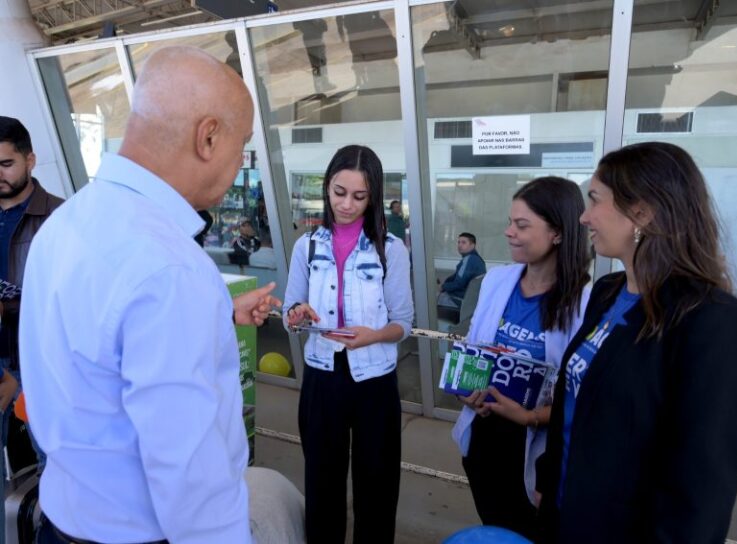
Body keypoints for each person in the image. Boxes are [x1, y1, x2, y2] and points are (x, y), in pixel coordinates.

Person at [19, 46, 283, 544]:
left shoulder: (66, 222)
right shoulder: (170, 268)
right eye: (241, 144)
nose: (239, 162)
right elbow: (192, 483)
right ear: (208, 137)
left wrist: (216, 315)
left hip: (61, 518)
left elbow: (99, 350)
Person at [536, 142, 737, 543]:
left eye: (594, 200)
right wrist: (549, 479)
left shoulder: (717, 324)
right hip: (567, 514)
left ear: (641, 211)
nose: (584, 217)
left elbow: (702, 487)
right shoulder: (607, 291)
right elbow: (576, 404)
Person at [283, 144, 413, 544]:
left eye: (360, 196)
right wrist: (297, 315)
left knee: (377, 483)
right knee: (322, 482)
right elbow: (291, 310)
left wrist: (373, 336)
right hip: (323, 376)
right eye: (339, 192)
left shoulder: (390, 249)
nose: (347, 204)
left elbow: (403, 323)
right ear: (327, 187)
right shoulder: (307, 246)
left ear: (373, 196)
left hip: (375, 379)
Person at [451, 177, 591, 540]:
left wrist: (529, 416)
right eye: (510, 221)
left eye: (522, 225)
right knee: (494, 528)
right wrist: (466, 391)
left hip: (535, 449)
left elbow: (582, 396)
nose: (508, 232)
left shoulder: (585, 303)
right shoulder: (496, 281)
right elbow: (472, 349)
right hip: (483, 435)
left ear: (558, 233)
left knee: (530, 532)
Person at [0, 116, 63, 476]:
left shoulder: (64, 216)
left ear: (30, 160)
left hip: (42, 367)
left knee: (56, 467)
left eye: (6, 164)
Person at [438, 232, 486, 309]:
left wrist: (443, 287)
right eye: (459, 242)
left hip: (462, 300)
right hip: (473, 300)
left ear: (472, 245)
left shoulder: (469, 260)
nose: (459, 245)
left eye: (464, 242)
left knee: (433, 300)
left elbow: (459, 284)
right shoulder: (478, 259)